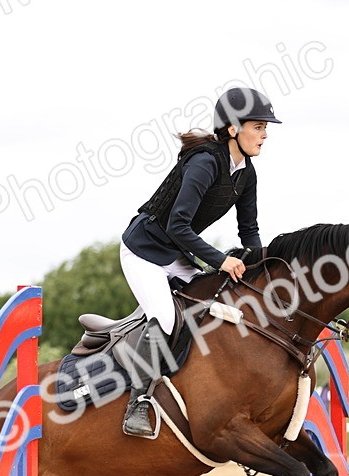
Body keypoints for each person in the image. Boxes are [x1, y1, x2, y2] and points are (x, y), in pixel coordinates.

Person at [118, 87, 282, 437]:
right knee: (164, 317)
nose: (265, 134)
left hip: (175, 253)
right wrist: (221, 261)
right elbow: (178, 223)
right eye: (258, 126)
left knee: (209, 309)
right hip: (143, 251)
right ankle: (137, 403)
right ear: (233, 129)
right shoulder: (206, 162)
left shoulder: (246, 172)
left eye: (266, 128)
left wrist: (262, 268)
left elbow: (249, 230)